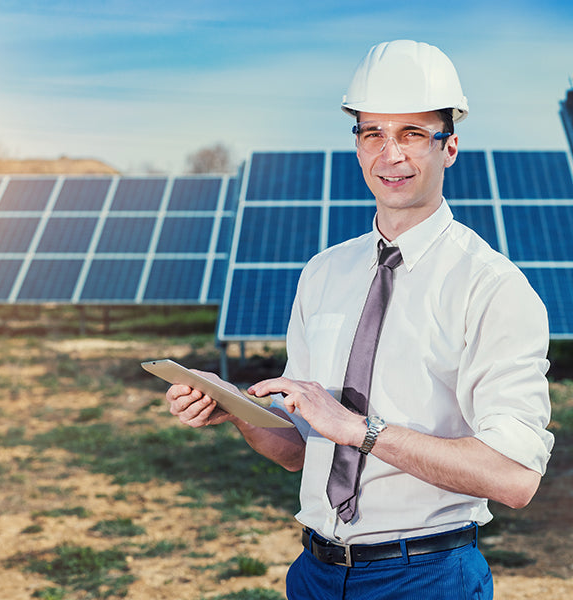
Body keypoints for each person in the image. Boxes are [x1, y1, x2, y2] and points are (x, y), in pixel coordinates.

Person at [167, 40, 554, 599]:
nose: (390, 155)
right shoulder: (324, 273)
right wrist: (236, 409)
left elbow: (515, 479)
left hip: (428, 577)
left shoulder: (492, 288)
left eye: (413, 134)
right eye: (373, 133)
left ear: (450, 147)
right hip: (314, 573)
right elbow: (302, 448)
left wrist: (362, 431)